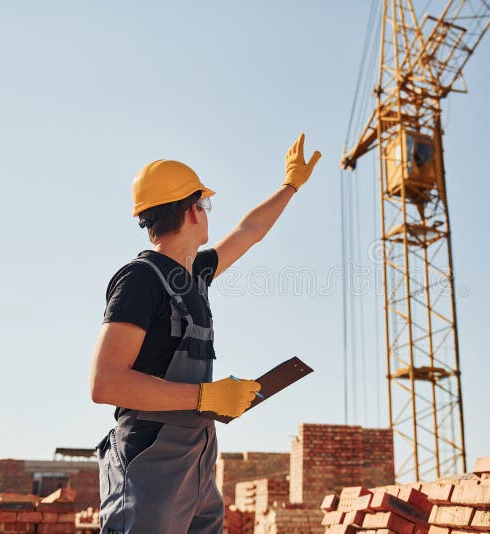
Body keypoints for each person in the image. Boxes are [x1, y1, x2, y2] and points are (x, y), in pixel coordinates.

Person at [89, 134, 321, 534]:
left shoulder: (193, 275)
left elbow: (249, 231)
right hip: (150, 458)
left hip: (198, 456)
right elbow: (105, 382)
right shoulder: (140, 280)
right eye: (205, 203)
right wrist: (203, 396)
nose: (208, 212)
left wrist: (290, 187)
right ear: (193, 210)